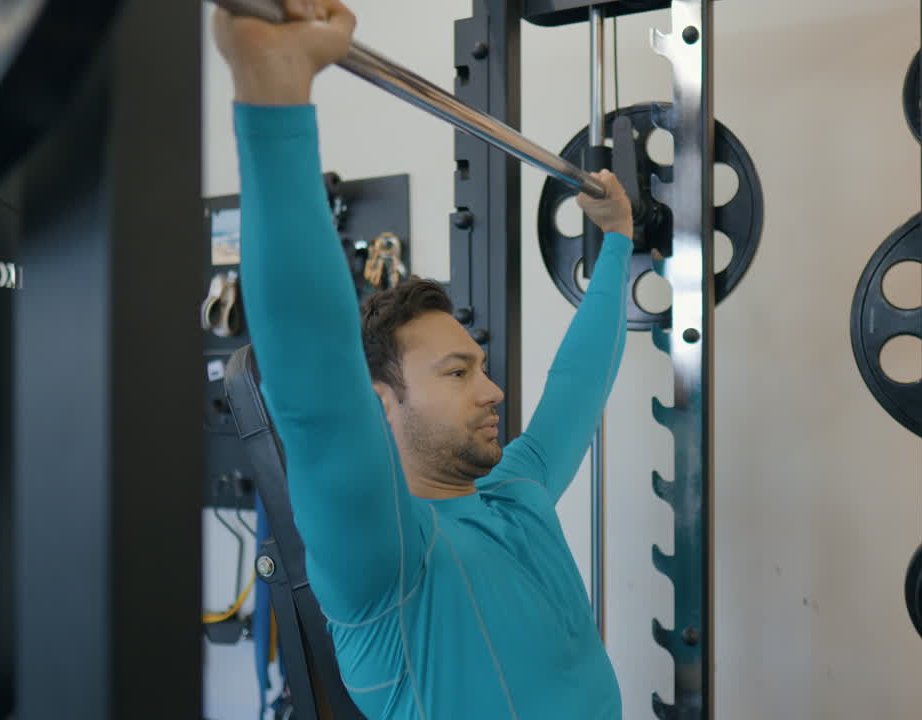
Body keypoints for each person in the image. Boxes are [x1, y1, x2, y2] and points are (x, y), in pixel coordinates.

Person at [213, 1, 635, 716]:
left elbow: (578, 383)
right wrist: (274, 91)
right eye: (458, 372)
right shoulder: (385, 559)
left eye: (481, 365)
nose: (495, 390)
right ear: (381, 401)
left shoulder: (515, 492)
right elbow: (314, 390)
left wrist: (619, 239)